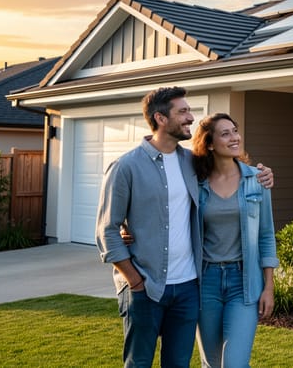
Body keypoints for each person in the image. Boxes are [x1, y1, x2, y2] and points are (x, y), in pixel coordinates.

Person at [95, 87, 273, 368]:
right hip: (146, 285)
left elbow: (228, 170)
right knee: (138, 363)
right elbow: (107, 231)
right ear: (161, 118)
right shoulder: (125, 167)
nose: (191, 117)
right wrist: (135, 280)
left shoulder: (192, 164)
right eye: (183, 112)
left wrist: (261, 174)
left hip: (190, 286)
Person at [191, 112, 278, 368]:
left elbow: (266, 235)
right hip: (205, 282)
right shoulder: (195, 183)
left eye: (235, 130)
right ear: (209, 143)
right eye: (225, 133)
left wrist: (269, 286)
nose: (234, 137)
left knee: (235, 364)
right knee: (212, 363)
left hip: (244, 282)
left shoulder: (257, 179)